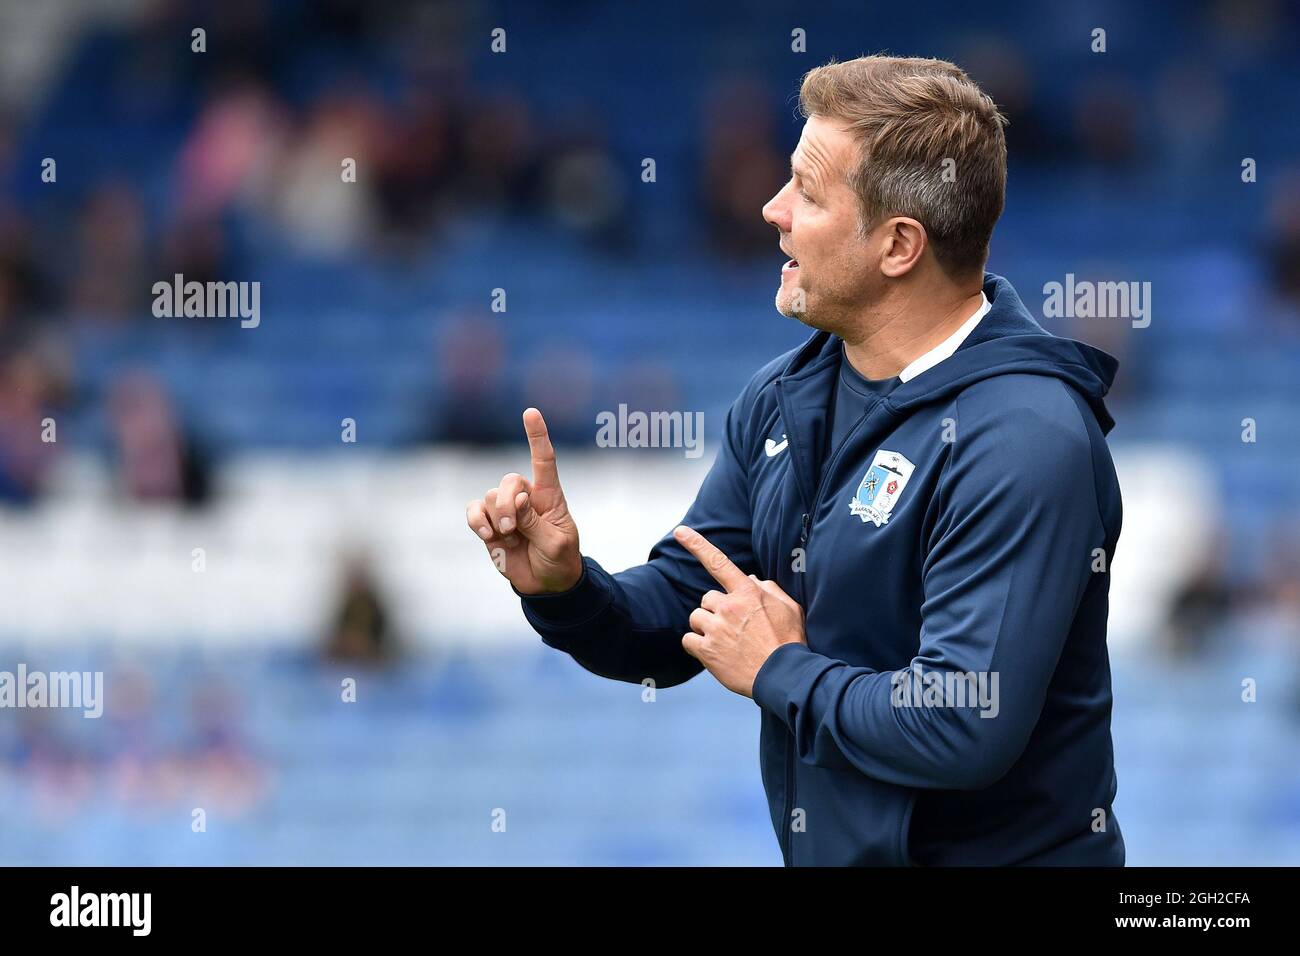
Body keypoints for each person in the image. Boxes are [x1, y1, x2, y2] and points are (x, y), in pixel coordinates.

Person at [465, 56, 1124, 866]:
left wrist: (782, 669)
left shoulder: (1024, 437)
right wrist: (571, 589)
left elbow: (961, 721)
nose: (772, 210)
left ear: (898, 245)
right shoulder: (784, 396)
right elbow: (689, 607)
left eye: (808, 192)